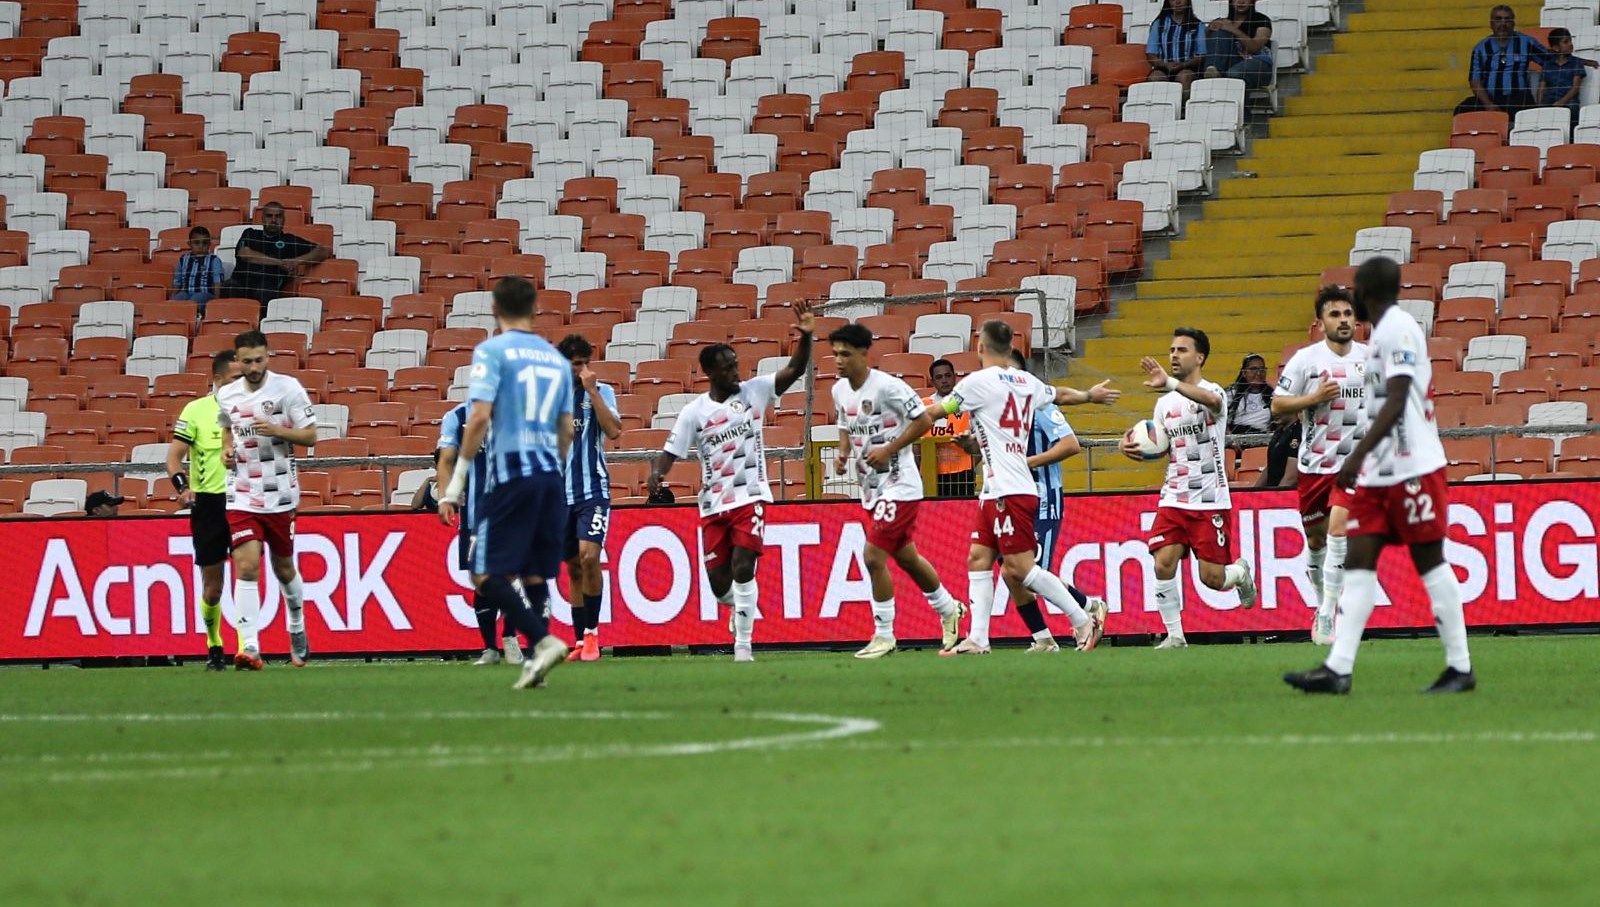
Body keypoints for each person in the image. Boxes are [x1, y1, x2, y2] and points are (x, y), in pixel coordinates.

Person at [1284, 257, 1476, 695]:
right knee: (1357, 560)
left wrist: (1356, 456)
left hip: (1412, 467)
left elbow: (1399, 396)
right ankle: (1338, 668)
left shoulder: (1398, 329)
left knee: (1429, 561)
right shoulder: (1380, 336)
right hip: (1379, 473)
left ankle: (1460, 666)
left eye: (1355, 290)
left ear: (1365, 291)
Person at [921, 320, 1118, 656]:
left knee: (1021, 569)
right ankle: (979, 639)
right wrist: (1089, 395)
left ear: (979, 346)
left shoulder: (978, 382)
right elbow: (1060, 394)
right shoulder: (1026, 382)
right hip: (994, 488)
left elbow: (939, 410)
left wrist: (902, 417)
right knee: (979, 558)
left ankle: (1083, 617)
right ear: (1010, 347)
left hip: (1010, 489)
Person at [646, 302, 815, 663]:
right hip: (713, 504)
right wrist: (657, 473)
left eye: (736, 364)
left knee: (743, 567)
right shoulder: (694, 412)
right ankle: (740, 609)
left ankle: (743, 647)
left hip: (750, 496)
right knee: (719, 585)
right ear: (710, 373)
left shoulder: (755, 391)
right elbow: (671, 451)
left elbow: (795, 369)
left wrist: (806, 336)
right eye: (727, 368)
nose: (736, 371)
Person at [440, 276, 575, 690]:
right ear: (535, 309)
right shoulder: (557, 361)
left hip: (512, 474)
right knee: (534, 573)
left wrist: (455, 485)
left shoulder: (492, 351)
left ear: (495, 309)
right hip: (550, 476)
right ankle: (536, 665)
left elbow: (479, 416)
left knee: (483, 574)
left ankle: (542, 641)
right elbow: (566, 429)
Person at [829, 323, 967, 659]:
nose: (839, 360)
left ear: (864, 353)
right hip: (871, 488)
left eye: (845, 354)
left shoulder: (889, 387)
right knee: (907, 558)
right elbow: (845, 424)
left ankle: (884, 634)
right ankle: (949, 608)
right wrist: (843, 452)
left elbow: (924, 420)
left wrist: (890, 449)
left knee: (873, 557)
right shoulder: (839, 390)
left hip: (900, 484)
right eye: (835, 354)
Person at [1120, 327, 1259, 648]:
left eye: (1182, 350)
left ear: (1200, 357)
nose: (1174, 355)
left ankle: (1239, 573)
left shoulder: (1214, 392)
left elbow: (1212, 402)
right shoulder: (1164, 404)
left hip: (1210, 500)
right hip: (1173, 497)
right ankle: (1175, 636)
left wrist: (1169, 382)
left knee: (1212, 579)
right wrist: (1127, 446)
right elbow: (1160, 444)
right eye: (1172, 350)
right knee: (1162, 562)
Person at [216, 330, 318, 670]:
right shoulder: (226, 394)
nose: (254, 367)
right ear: (237, 361)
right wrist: (226, 451)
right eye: (247, 362)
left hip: (280, 495)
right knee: (246, 566)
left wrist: (278, 431)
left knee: (284, 568)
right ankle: (250, 646)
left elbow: (311, 436)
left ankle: (297, 625)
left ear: (267, 356)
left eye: (259, 360)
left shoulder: (287, 389)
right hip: (241, 495)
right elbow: (227, 429)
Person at [1272, 286, 1368, 647]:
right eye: (1335, 314)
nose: (1343, 320)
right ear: (1321, 322)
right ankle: (1321, 603)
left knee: (1338, 529)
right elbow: (1277, 406)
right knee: (1315, 541)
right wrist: (1313, 398)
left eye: (1348, 314)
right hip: (1315, 464)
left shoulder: (1371, 359)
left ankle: (1329, 611)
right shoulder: (1306, 360)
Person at [1004, 349, 1107, 654]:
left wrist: (1028, 462)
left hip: (1043, 497)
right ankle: (1044, 639)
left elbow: (1071, 444)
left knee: (1031, 571)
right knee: (1010, 572)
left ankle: (1088, 609)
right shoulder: (998, 411)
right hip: (1010, 497)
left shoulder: (1040, 406)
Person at [166, 349, 241, 671]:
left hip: (243, 501)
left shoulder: (252, 410)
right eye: (236, 377)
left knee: (247, 575)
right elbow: (174, 457)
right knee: (213, 588)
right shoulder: (195, 410)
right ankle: (214, 645)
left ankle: (247, 649)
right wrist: (182, 488)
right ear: (218, 379)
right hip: (209, 504)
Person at [436, 396, 523, 667]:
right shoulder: (456, 417)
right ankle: (489, 648)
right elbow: (445, 460)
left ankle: (510, 636)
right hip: (476, 515)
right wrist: (445, 497)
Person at [558, 333, 622, 663]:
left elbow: (614, 431)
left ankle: (593, 634)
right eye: (574, 364)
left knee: (589, 557)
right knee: (572, 566)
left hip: (592, 490)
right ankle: (579, 640)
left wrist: (593, 391)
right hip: (558, 495)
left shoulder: (602, 391)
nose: (580, 370)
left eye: (584, 363)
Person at [1456, 6, 1596, 115]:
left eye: (1507, 19)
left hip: (1519, 98)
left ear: (1513, 23)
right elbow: (1475, 81)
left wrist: (1583, 61)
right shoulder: (1481, 48)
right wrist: (1488, 104)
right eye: (1498, 19)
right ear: (1491, 23)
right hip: (1491, 98)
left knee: (1531, 116)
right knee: (1462, 109)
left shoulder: (1525, 42)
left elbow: (1552, 58)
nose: (1503, 24)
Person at [218, 201, 330, 309]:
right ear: (262, 218)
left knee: (264, 292)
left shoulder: (289, 241)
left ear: (284, 219)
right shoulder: (250, 233)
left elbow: (322, 251)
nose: (273, 220)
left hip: (267, 286)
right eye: (269, 216)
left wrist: (296, 261)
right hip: (241, 282)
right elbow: (245, 254)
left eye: (278, 216)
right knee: (229, 286)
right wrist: (280, 262)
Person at [923, 358, 975, 498]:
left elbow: (979, 438)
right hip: (931, 472)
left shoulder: (968, 404)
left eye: (948, 375)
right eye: (939, 377)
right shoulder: (925, 405)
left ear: (955, 377)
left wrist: (970, 466)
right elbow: (917, 444)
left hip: (962, 474)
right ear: (932, 381)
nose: (944, 380)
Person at [1202, 0, 1273, 90]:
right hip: (1233, 61)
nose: (1241, 2)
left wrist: (1233, 29)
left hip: (1258, 63)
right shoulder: (1225, 22)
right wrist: (1210, 29)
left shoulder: (1262, 20)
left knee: (1235, 74)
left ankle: (1239, 100)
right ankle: (1213, 69)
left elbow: (1254, 48)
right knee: (1218, 32)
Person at [1147, 0, 1208, 91]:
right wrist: (1165, 65)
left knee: (1184, 76)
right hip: (1164, 68)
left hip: (1189, 68)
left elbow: (1202, 55)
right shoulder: (1159, 24)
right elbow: (1151, 54)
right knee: (1155, 77)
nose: (1178, 2)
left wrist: (1184, 64)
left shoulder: (1198, 25)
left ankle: (1184, 100)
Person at [1535, 27, 1584, 125]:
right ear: (1556, 48)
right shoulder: (1547, 65)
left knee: (1573, 108)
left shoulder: (1576, 63)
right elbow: (1541, 88)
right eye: (1566, 42)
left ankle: (1572, 133)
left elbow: (1575, 87)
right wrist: (1539, 105)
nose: (1570, 44)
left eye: (1570, 41)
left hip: (1569, 99)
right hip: (1550, 99)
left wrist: (1562, 102)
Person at [170, 225, 224, 315]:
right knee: (177, 300)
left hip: (205, 293)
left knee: (196, 299)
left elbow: (217, 283)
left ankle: (192, 318)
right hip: (186, 293)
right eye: (196, 243)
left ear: (209, 244)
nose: (200, 246)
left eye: (204, 243)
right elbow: (177, 282)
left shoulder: (214, 260)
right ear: (189, 244)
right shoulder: (183, 259)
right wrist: (173, 297)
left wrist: (216, 302)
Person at [1225, 353, 1274, 437]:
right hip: (1235, 438)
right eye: (1253, 369)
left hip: (1263, 438)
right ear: (1244, 373)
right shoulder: (1231, 394)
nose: (1258, 373)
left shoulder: (1272, 395)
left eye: (1262, 370)